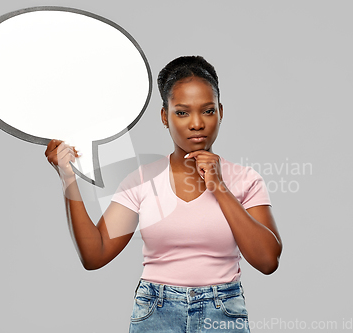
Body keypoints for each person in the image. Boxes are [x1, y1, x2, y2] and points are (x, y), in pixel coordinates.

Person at [44, 55, 282, 333]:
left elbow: (268, 261)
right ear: (164, 116)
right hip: (156, 313)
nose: (196, 123)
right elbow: (94, 255)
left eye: (207, 111)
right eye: (182, 112)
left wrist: (219, 187)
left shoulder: (245, 180)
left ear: (220, 111)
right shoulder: (143, 180)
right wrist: (68, 179)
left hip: (223, 314)